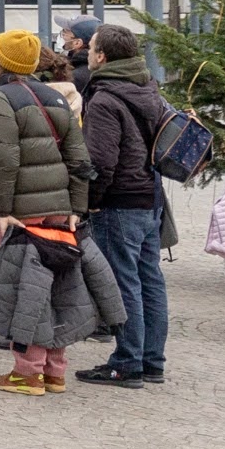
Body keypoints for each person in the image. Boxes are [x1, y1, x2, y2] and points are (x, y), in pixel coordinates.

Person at [0, 28, 102, 395]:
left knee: (25, 290)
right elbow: (79, 159)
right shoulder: (56, 97)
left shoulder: (1, 98)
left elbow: (2, 160)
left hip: (20, 211)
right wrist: (76, 207)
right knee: (58, 287)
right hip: (59, 209)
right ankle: (54, 370)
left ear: (0, 60)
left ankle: (27, 372)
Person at [73, 25, 171, 388]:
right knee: (150, 280)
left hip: (120, 201)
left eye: (91, 49)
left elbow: (100, 161)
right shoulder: (148, 88)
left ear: (101, 56)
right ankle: (151, 360)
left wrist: (91, 203)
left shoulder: (104, 98)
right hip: (150, 196)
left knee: (124, 283)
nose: (87, 54)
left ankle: (127, 361)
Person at [57, 17, 100, 97]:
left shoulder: (75, 76)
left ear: (77, 43)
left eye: (65, 32)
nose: (62, 36)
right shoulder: (99, 67)